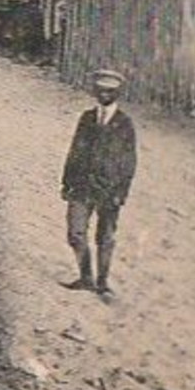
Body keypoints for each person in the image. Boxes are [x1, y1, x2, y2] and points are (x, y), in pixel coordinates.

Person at [60, 71, 138, 298]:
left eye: (109, 91)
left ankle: (102, 283)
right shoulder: (86, 118)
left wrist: (121, 192)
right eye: (100, 90)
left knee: (105, 237)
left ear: (117, 93)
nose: (104, 94)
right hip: (82, 185)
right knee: (75, 233)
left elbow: (129, 162)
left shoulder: (125, 124)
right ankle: (86, 277)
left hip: (109, 189)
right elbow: (75, 150)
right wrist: (67, 182)